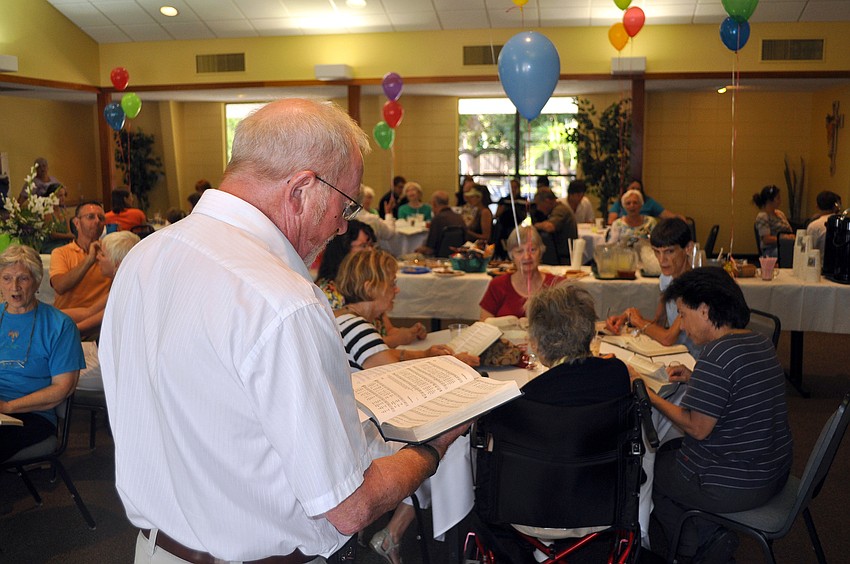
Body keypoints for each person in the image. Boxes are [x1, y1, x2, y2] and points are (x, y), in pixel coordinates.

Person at [99, 98, 466, 563]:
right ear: (301, 190)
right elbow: (349, 508)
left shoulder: (144, 257)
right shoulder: (281, 299)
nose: (341, 224)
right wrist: (431, 448)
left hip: (157, 551)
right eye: (345, 204)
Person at [641, 267, 792, 563]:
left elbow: (696, 428)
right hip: (774, 469)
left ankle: (702, 546)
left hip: (739, 484)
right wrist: (696, 377)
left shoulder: (717, 355)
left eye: (684, 314)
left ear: (705, 310)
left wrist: (652, 398)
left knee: (651, 468)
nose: (682, 326)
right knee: (673, 451)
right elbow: (738, 387)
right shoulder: (759, 341)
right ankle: (708, 531)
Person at [476, 282, 631, 562]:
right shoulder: (617, 376)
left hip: (524, 514)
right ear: (590, 332)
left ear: (536, 342)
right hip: (604, 507)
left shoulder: (519, 402)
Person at [0, 244, 85, 463]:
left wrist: (8, 407)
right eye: (7, 278)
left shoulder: (60, 325)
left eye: (23, 279)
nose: (14, 287)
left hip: (32, 415)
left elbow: (62, 388)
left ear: (37, 281)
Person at [334, 248, 478, 370]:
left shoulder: (342, 318)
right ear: (370, 288)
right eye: (392, 284)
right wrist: (454, 365)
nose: (396, 290)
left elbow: (384, 354)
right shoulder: (357, 329)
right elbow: (400, 381)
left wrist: (425, 355)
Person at [317, 221, 425, 348]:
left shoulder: (371, 286)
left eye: (371, 245)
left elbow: (387, 330)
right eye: (363, 246)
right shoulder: (329, 292)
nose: (370, 250)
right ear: (342, 250)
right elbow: (348, 347)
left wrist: (410, 333)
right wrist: (397, 340)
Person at [606, 218, 701, 356]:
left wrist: (638, 320)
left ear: (688, 248)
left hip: (695, 357)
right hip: (675, 352)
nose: (662, 260)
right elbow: (659, 323)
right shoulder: (666, 279)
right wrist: (628, 317)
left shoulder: (696, 287)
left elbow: (668, 338)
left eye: (669, 252)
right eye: (657, 252)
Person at [60, 231, 140, 335]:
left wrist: (62, 330)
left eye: (102, 255)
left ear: (117, 264)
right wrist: (46, 314)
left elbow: (96, 321)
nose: (97, 257)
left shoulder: (128, 289)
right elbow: (89, 312)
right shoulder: (123, 283)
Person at [479, 226, 563, 320]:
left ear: (541, 251)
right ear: (512, 255)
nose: (527, 257)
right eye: (519, 251)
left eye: (532, 250)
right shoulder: (497, 285)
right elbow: (484, 326)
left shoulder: (558, 285)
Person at [49, 201, 111, 311]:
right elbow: (60, 286)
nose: (97, 221)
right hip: (67, 318)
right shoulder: (61, 252)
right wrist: (89, 260)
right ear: (76, 223)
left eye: (101, 218)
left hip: (99, 319)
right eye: (90, 217)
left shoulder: (109, 250)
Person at [532, 189, 578, 264]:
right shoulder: (558, 208)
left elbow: (549, 227)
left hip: (563, 258)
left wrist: (535, 226)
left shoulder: (560, 210)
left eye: (539, 204)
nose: (538, 208)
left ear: (547, 201)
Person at [415, 190, 466, 256]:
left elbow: (430, 249)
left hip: (438, 258)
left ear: (434, 204)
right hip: (457, 256)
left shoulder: (437, 219)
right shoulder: (458, 217)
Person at [607, 179, 679, 226]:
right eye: (628, 203)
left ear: (641, 205)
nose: (632, 206)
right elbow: (611, 221)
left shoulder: (650, 220)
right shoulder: (620, 203)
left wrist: (679, 218)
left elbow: (665, 214)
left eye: (638, 189)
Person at [753, 185, 793, 257]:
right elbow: (766, 239)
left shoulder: (780, 214)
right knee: (790, 253)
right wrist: (784, 238)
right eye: (778, 198)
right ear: (769, 201)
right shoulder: (763, 216)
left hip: (786, 245)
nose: (780, 200)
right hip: (771, 249)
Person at [494, 178, 529, 258]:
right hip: (504, 228)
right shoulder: (504, 200)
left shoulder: (523, 201)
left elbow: (527, 216)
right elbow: (496, 215)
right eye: (511, 187)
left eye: (515, 187)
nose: (513, 189)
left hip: (519, 228)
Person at [40, 183, 75, 254]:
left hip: (64, 243)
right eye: (60, 196)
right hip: (51, 245)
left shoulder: (64, 211)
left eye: (64, 195)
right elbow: (52, 235)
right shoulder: (47, 212)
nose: (63, 198)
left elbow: (68, 231)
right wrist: (71, 236)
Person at [806, 190, 842, 255]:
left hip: (820, 262)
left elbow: (809, 249)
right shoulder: (843, 223)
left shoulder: (814, 226)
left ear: (817, 206)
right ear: (835, 206)